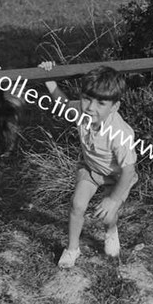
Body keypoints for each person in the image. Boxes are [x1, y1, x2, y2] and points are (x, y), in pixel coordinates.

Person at [38, 61, 138, 268]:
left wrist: (112, 199)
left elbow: (129, 171)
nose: (91, 108)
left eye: (101, 104)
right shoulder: (83, 113)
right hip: (91, 169)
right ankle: (72, 249)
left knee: (107, 214)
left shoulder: (120, 134)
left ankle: (111, 232)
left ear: (115, 107)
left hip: (118, 177)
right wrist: (48, 79)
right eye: (86, 99)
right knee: (77, 205)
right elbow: (63, 105)